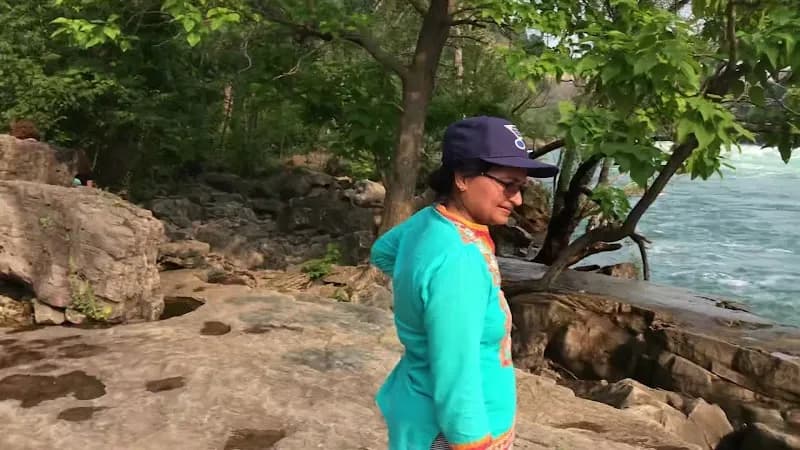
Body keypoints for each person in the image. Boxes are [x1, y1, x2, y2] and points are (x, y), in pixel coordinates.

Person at [370, 116, 559, 450]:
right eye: (508, 184)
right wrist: (473, 443)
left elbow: (383, 251)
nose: (517, 199)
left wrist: (420, 294)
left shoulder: (430, 221)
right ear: (462, 177)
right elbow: (456, 372)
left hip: (416, 398)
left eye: (521, 187)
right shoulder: (459, 260)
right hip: (450, 431)